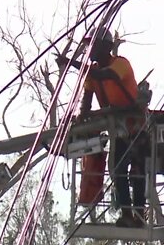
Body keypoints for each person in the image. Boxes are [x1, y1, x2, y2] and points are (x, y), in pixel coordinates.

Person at [56, 27, 149, 228]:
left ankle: (139, 216)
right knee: (117, 170)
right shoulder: (92, 74)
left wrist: (71, 63)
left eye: (93, 46)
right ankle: (127, 214)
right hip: (117, 129)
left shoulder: (120, 64)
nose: (90, 50)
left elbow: (106, 75)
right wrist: (81, 121)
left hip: (135, 128)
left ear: (106, 47)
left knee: (137, 172)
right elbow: (86, 103)